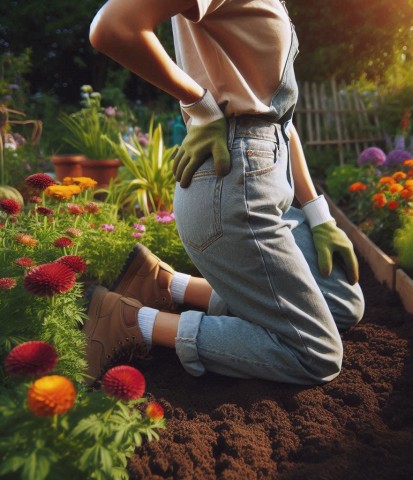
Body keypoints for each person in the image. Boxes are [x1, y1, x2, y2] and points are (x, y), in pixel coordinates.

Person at [83, 0, 365, 386]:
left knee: (344, 303)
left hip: (265, 177)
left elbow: (281, 119)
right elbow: (113, 27)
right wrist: (198, 103)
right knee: (316, 354)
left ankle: (168, 285)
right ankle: (132, 321)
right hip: (234, 189)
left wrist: (319, 217)